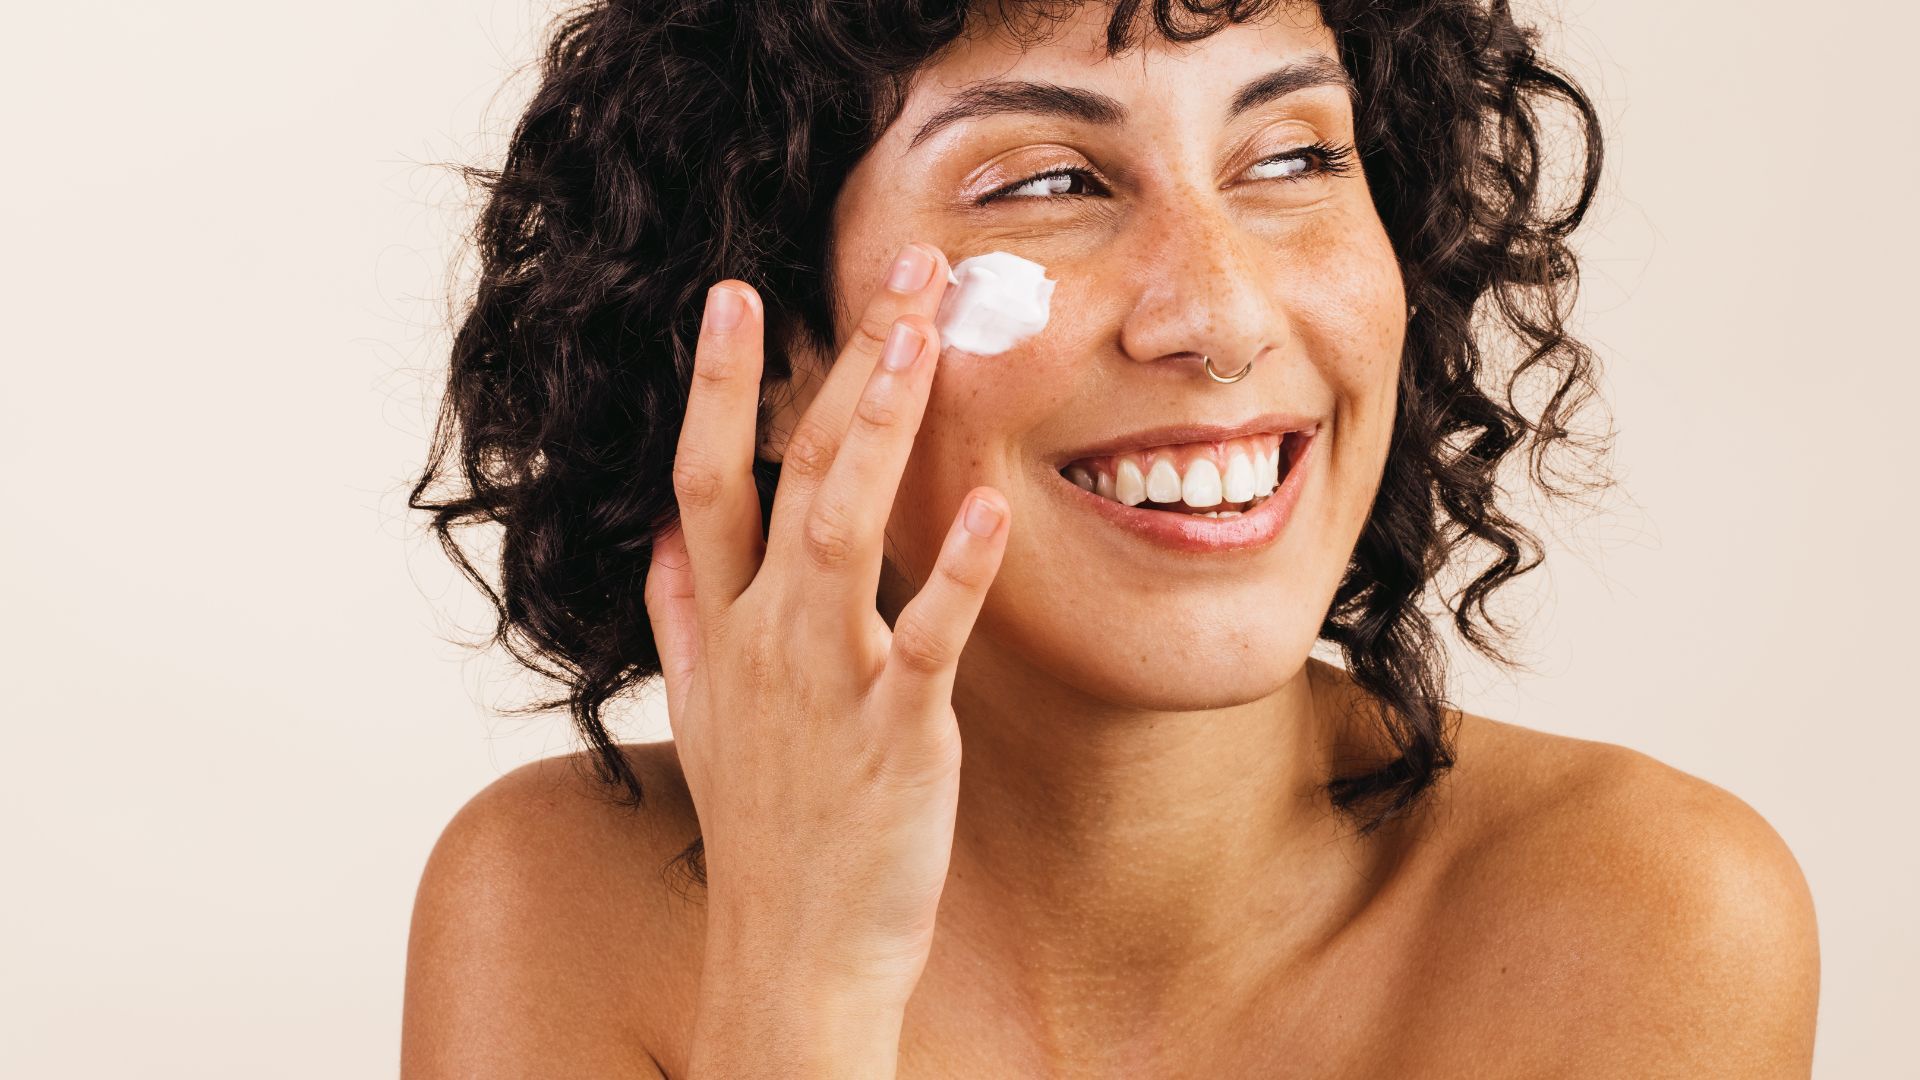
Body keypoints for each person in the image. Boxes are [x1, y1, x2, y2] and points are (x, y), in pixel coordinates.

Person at [401, 1, 1820, 1075]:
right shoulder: (550, 909)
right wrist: (793, 987)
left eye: (1295, 155)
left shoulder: (1648, 921)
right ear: (774, 347)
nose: (1219, 315)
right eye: (1044, 182)